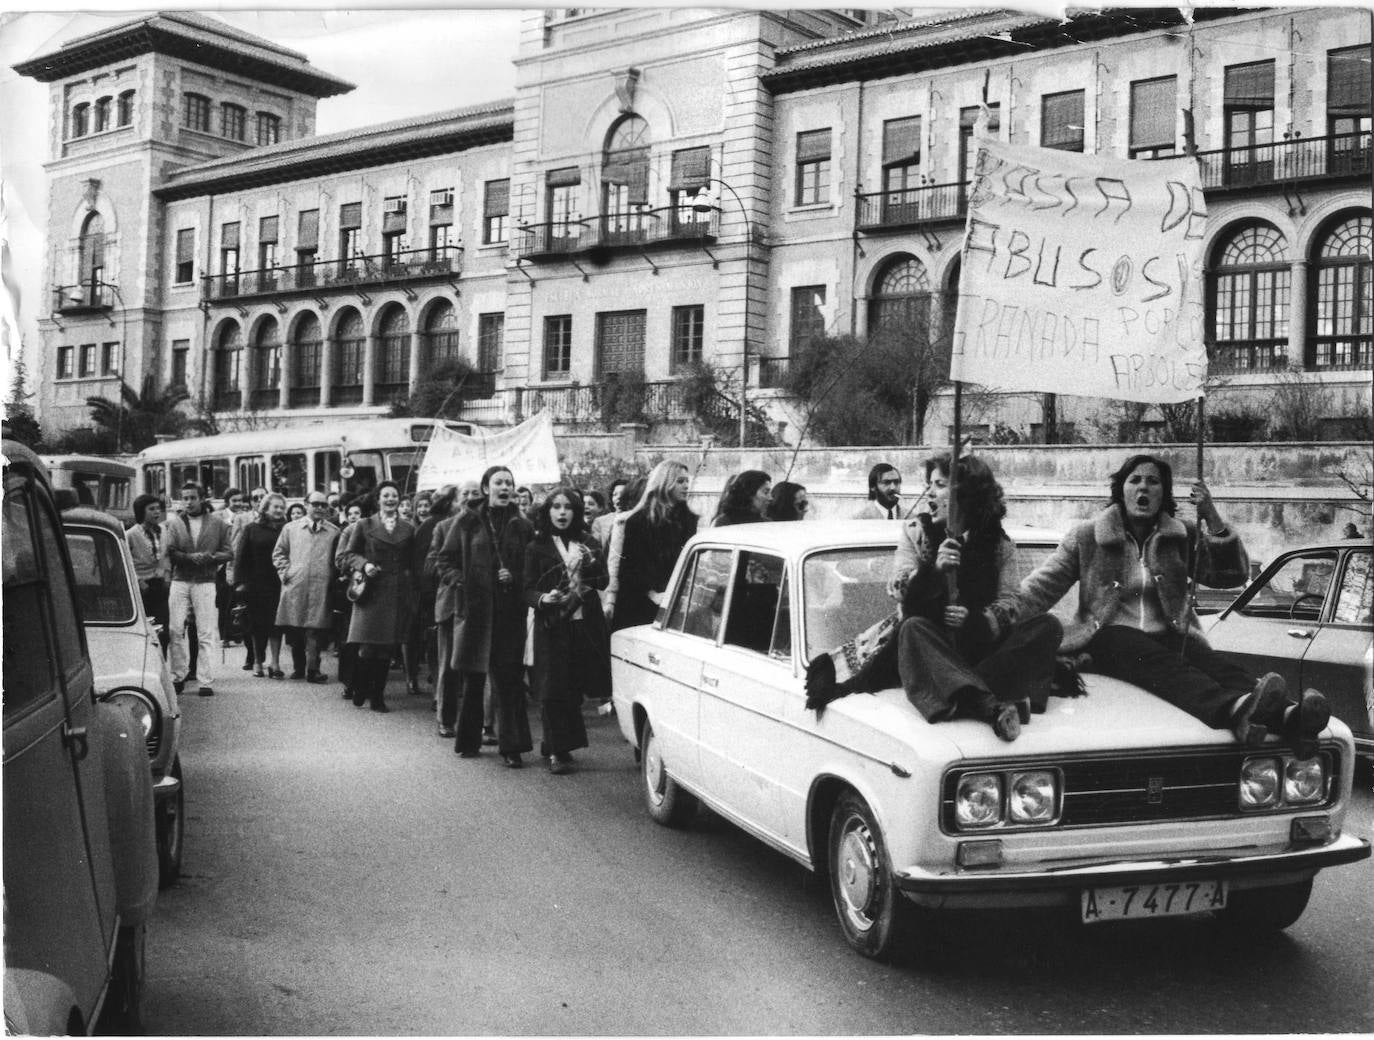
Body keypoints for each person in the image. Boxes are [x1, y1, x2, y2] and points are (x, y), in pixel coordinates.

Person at [1014, 453, 1330, 756]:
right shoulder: (1087, 537)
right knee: (1134, 645)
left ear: (1163, 493)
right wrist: (998, 615)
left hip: (1168, 640)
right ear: (1120, 490)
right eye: (1134, 480)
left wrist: (1212, 517)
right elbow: (1041, 588)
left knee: (1212, 661)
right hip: (1107, 642)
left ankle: (1291, 716)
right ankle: (1234, 709)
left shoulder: (1181, 537)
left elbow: (1231, 576)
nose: (1143, 487)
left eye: (1153, 482)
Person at [892, 454, 1064, 741]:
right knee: (911, 629)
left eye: (939, 485)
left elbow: (1011, 603)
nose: (929, 493)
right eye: (929, 484)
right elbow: (898, 587)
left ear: (966, 493)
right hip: (934, 647)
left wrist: (973, 622)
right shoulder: (915, 533)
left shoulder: (1001, 545)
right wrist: (933, 569)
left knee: (1048, 626)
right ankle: (987, 703)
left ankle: (963, 691)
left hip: (981, 652)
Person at [436, 465, 535, 765]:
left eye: (509, 483)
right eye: (499, 483)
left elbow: (532, 566)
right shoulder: (466, 521)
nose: (505, 488)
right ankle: (468, 741)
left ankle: (512, 748)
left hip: (509, 613)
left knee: (508, 680)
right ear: (486, 487)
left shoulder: (523, 523)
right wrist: (461, 580)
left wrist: (514, 576)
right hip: (475, 611)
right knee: (474, 679)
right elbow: (444, 560)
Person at [524, 487, 610, 774]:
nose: (562, 512)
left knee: (573, 687)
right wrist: (542, 598)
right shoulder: (536, 546)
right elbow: (526, 589)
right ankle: (556, 752)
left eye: (568, 507)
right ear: (547, 511)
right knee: (552, 687)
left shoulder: (588, 541)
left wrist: (591, 562)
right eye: (556, 507)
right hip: (552, 624)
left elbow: (602, 581)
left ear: (576, 511)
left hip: (583, 625)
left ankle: (558, 744)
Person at [340, 481, 416, 713]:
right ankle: (361, 686)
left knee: (385, 647)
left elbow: (411, 561)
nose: (391, 499)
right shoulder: (364, 524)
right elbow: (348, 554)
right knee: (367, 646)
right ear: (378, 499)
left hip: (395, 592)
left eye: (394, 495)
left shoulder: (408, 528)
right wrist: (365, 565)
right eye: (386, 496)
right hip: (371, 592)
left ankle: (377, 696)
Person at [165, 481, 234, 697]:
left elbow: (228, 552)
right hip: (181, 578)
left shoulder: (218, 524)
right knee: (175, 629)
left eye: (192, 497)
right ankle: (178, 675)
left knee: (205, 630)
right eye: (184, 498)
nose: (188, 502)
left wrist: (211, 558)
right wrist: (188, 557)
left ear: (202, 498)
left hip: (205, 580)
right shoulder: (174, 524)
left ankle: (205, 680)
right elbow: (171, 551)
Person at [613, 460, 698, 632]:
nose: (686, 486)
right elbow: (629, 568)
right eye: (680, 481)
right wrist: (652, 594)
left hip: (675, 602)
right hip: (640, 603)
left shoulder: (688, 520)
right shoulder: (639, 521)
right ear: (665, 482)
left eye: (687, 481)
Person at [274, 492, 341, 684]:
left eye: (323, 505)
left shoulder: (333, 532)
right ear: (306, 504)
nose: (319, 508)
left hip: (321, 586)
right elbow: (279, 553)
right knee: (295, 627)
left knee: (315, 628)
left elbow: (338, 558)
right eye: (315, 504)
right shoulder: (291, 528)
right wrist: (285, 573)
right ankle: (298, 668)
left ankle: (313, 669)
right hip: (296, 584)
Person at [235, 492, 288, 678]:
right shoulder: (251, 528)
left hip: (279, 581)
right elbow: (241, 556)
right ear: (265, 508)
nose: (279, 510)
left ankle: (275, 662)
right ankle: (258, 661)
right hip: (256, 582)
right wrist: (240, 582)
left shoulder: (287, 528)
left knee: (277, 623)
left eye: (282, 507)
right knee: (257, 624)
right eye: (276, 507)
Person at [128, 493, 171, 651]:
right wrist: (139, 581)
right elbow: (127, 561)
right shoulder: (131, 534)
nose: (156, 512)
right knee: (146, 631)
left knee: (163, 632)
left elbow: (166, 557)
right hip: (143, 588)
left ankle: (163, 668)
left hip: (161, 585)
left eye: (158, 509)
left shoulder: (163, 531)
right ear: (141, 511)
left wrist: (167, 577)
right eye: (151, 509)